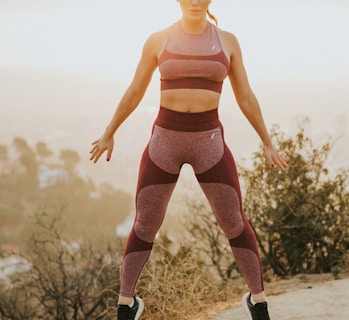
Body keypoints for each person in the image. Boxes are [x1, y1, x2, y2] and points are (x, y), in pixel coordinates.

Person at [90, 0, 287, 319]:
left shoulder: (228, 41)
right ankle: (126, 306)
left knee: (234, 221)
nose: (195, 1)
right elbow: (136, 89)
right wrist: (109, 131)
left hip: (209, 142)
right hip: (164, 142)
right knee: (144, 224)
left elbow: (245, 95)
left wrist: (267, 141)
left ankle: (258, 302)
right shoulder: (158, 39)